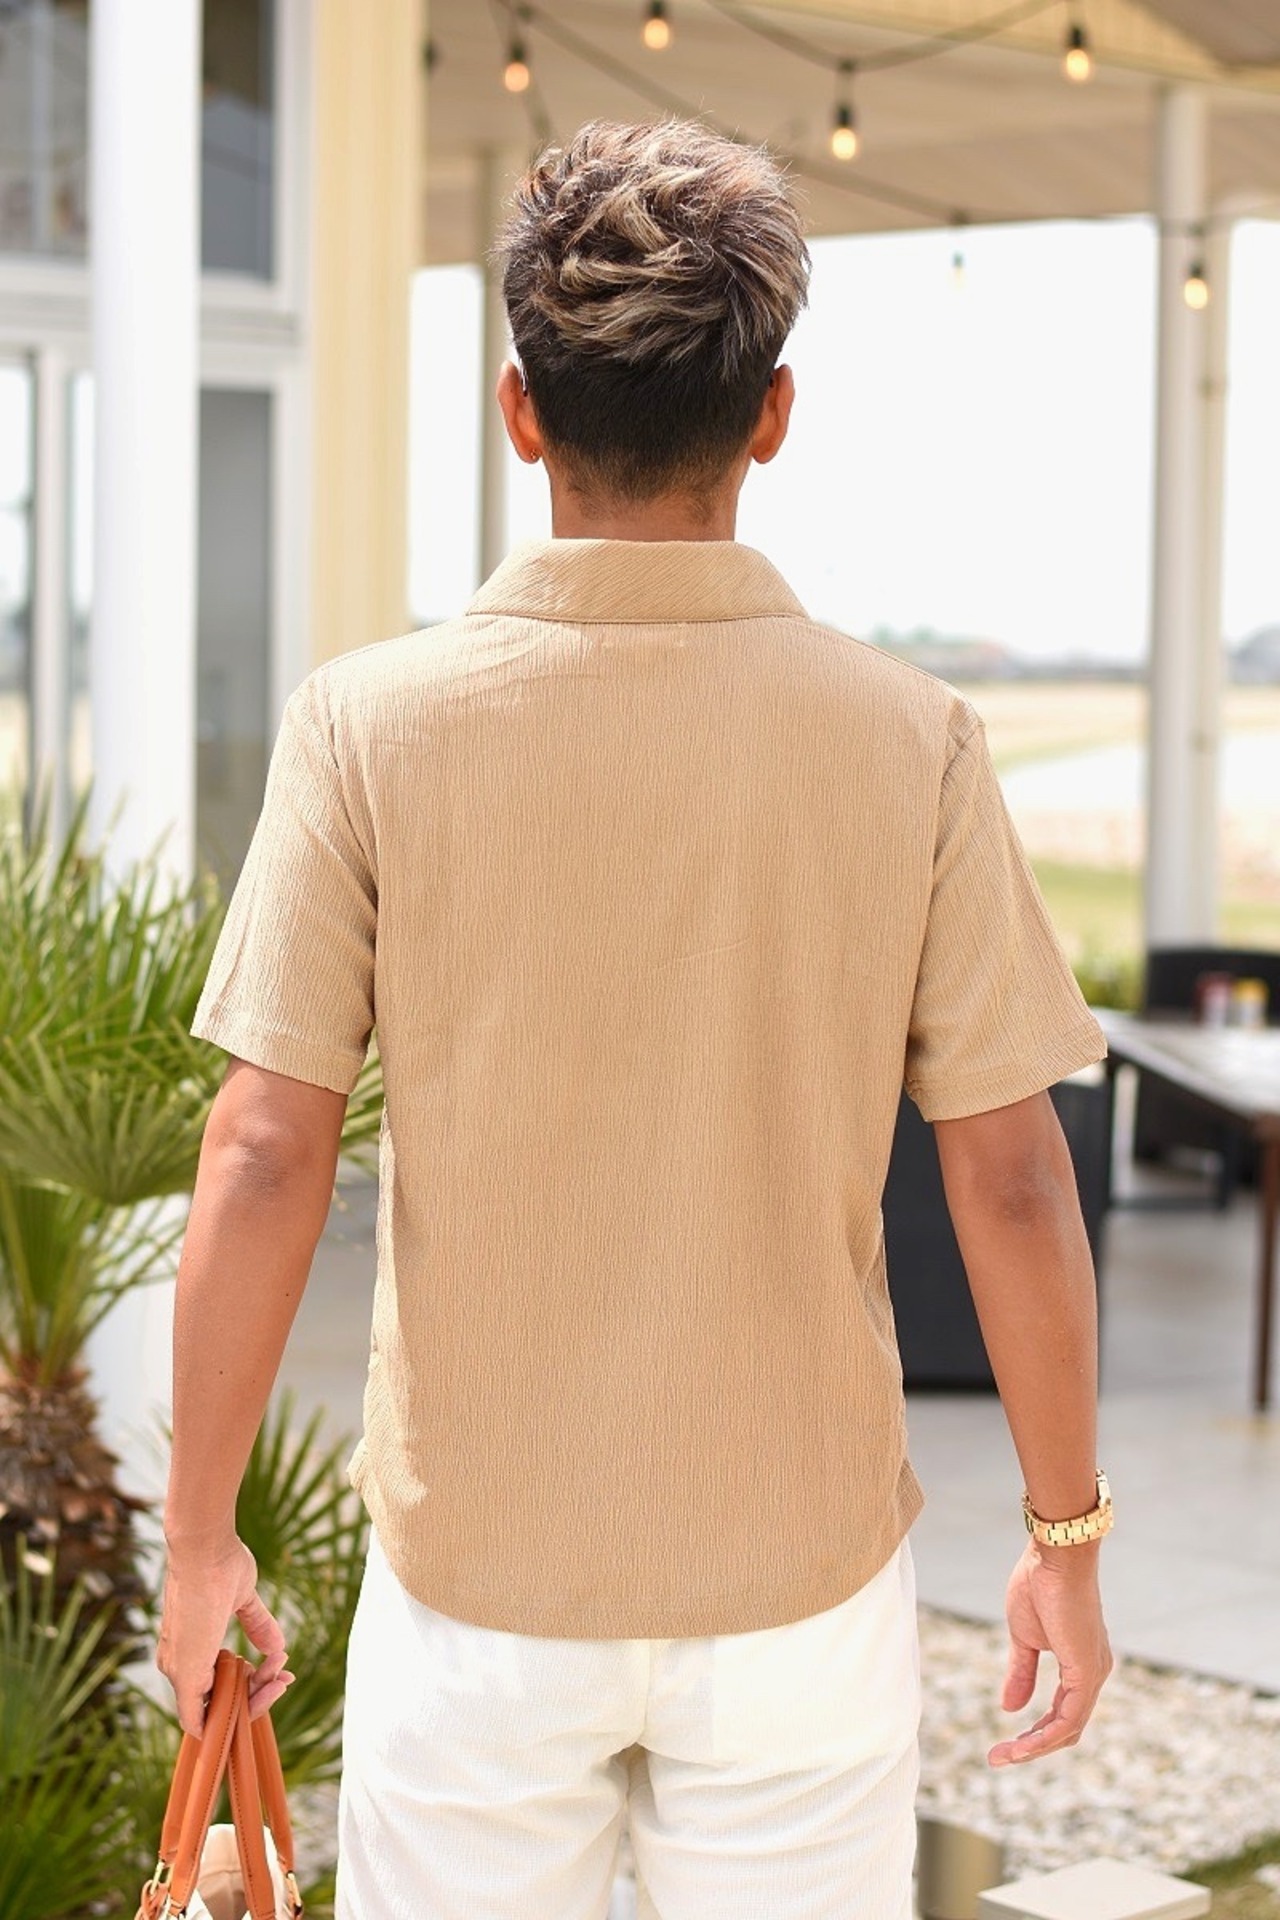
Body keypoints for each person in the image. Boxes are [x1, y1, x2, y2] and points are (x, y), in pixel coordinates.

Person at [158, 118, 1114, 1920]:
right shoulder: (911, 739)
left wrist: (201, 1539)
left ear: (522, 412)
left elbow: (267, 1150)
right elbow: (1010, 1176)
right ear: (773, 416)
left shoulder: (368, 727)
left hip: (478, 1584)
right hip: (798, 1587)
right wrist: (1063, 1541)